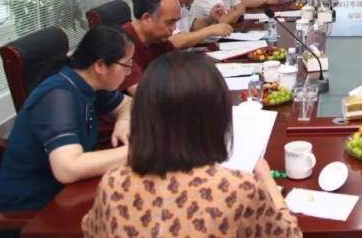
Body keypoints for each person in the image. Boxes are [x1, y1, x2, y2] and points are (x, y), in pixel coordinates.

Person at [82, 52, 301, 238]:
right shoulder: (238, 189)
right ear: (218, 117)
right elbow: (290, 234)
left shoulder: (113, 185)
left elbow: (91, 229)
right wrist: (267, 182)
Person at [0, 27, 134, 231]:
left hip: (68, 196)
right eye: (126, 65)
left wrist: (123, 122)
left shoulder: (90, 82)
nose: (128, 71)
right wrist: (136, 152)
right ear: (100, 65)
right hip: (31, 216)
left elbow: (128, 105)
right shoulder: (57, 96)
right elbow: (67, 168)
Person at [120, 0, 181, 96]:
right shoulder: (122, 44)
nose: (174, 28)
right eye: (170, 22)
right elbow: (142, 93)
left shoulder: (158, 38)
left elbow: (181, 66)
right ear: (146, 18)